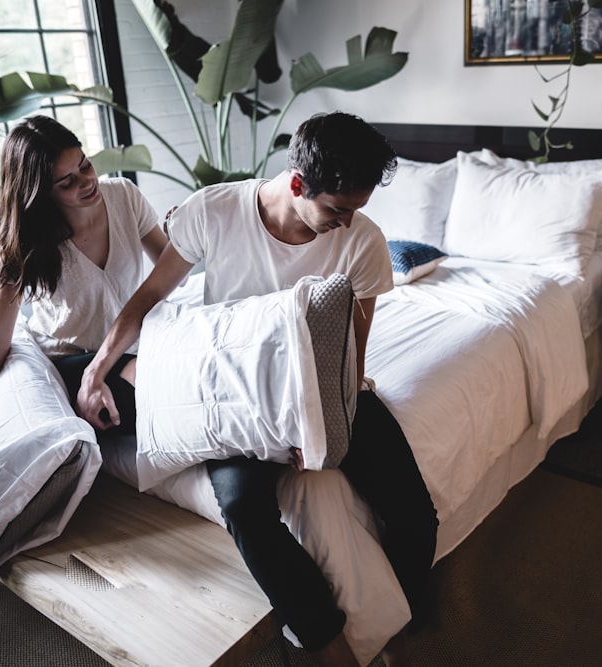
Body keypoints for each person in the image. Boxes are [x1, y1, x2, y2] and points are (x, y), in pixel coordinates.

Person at [76, 112, 438, 666]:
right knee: (244, 508)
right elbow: (148, 299)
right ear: (298, 183)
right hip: (239, 392)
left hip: (332, 389)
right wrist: (98, 367)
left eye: (356, 210)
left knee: (415, 513)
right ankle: (328, 644)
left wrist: (324, 427)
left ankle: (400, 633)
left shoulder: (361, 240)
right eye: (336, 210)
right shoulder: (214, 211)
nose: (346, 224)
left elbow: (353, 347)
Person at [0, 115, 168, 462]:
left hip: (129, 345)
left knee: (172, 382)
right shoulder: (25, 239)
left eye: (85, 165)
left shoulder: (125, 197)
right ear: (40, 193)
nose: (86, 182)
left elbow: (171, 263)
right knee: (154, 393)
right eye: (67, 182)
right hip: (70, 359)